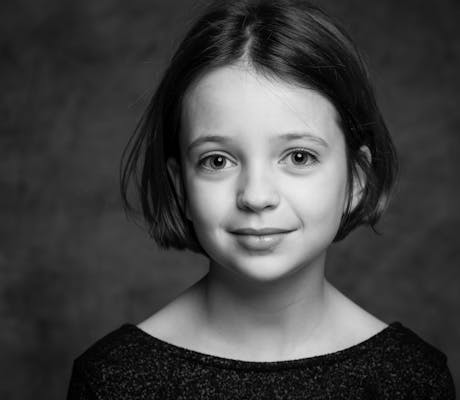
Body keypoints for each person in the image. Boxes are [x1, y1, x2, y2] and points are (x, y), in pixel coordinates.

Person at [67, 0, 455, 398]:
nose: (255, 196)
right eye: (217, 160)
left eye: (299, 157)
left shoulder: (411, 380)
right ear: (181, 187)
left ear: (355, 179)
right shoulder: (112, 380)